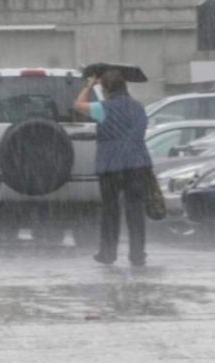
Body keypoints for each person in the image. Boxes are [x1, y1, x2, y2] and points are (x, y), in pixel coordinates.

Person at [74, 69, 152, 266]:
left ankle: (108, 253)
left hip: (111, 165)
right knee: (135, 210)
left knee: (110, 210)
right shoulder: (138, 107)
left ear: (106, 88)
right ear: (124, 86)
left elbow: (77, 105)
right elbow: (140, 129)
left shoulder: (102, 108)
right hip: (137, 163)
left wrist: (89, 86)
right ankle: (137, 254)